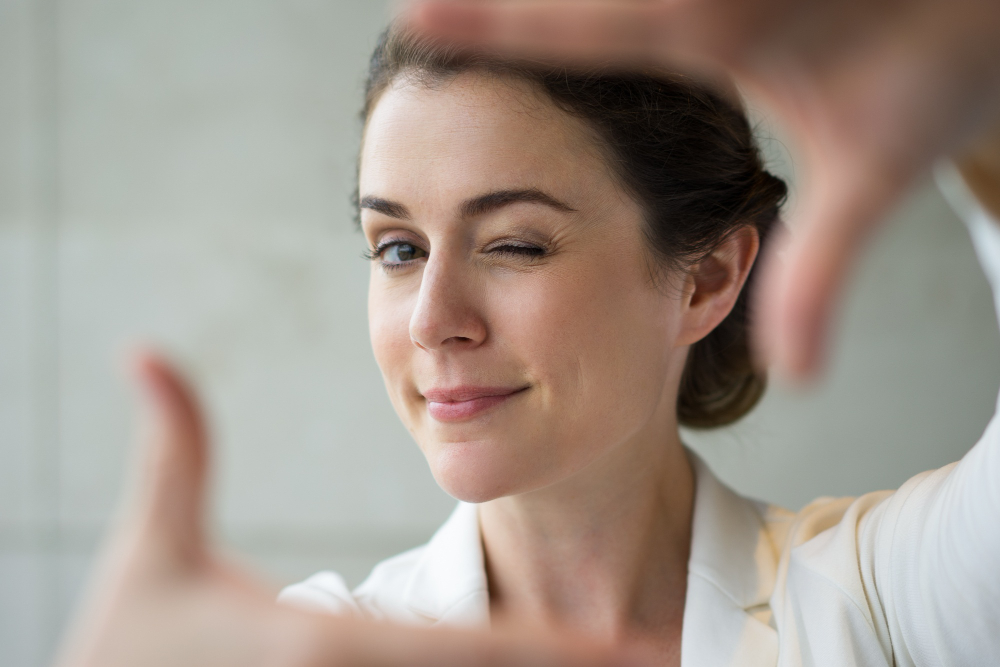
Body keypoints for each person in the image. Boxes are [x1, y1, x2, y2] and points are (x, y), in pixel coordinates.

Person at [53, 2, 1000, 667]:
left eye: (513, 243)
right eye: (396, 248)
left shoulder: (882, 603)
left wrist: (986, 110)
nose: (432, 320)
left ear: (705, 276)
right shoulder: (321, 645)